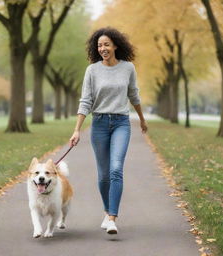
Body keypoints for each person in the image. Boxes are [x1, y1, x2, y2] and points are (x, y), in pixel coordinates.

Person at [69, 27, 148, 235]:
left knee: (115, 169)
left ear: (115, 45)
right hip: (100, 124)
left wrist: (141, 119)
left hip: (122, 123)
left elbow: (134, 95)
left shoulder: (128, 68)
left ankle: (112, 217)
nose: (102, 48)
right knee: (104, 174)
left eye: (106, 44)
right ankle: (106, 211)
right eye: (99, 45)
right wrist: (77, 130)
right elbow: (86, 101)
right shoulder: (92, 71)